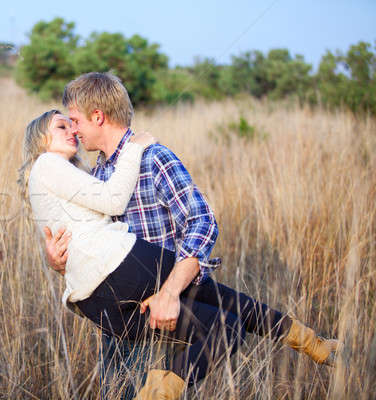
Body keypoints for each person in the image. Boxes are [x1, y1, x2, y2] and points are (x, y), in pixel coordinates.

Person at [37, 72, 339, 399]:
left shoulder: (154, 158)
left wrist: (169, 293)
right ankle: (318, 346)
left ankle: (321, 348)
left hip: (168, 305)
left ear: (98, 117)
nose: (74, 128)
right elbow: (85, 243)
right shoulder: (100, 172)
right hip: (125, 314)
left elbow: (202, 222)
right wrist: (58, 262)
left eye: (76, 120)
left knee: (236, 314)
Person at [20, 109, 245, 399]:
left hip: (144, 291)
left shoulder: (94, 171)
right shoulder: (52, 164)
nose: (71, 131)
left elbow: (82, 233)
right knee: (227, 321)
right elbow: (111, 204)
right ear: (41, 139)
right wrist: (134, 148)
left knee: (131, 384)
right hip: (125, 285)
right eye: (62, 126)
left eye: (73, 124)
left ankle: (295, 334)